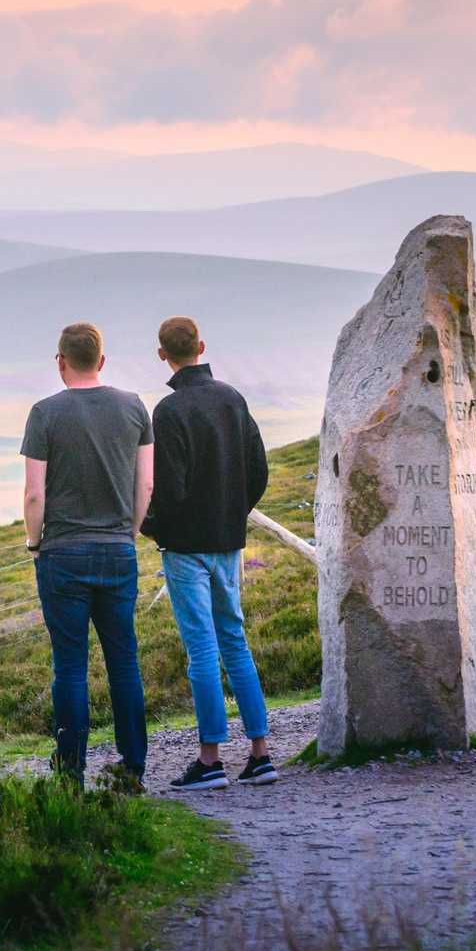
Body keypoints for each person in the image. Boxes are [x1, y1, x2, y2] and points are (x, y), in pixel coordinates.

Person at [142, 315, 277, 791]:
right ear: (201, 345)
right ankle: (261, 753)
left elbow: (170, 488)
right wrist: (233, 513)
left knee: (202, 650)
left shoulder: (169, 411)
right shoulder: (233, 400)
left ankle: (210, 760)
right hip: (228, 541)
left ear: (163, 354)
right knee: (235, 641)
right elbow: (258, 470)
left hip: (185, 547)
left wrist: (150, 526)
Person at [21, 322, 153, 788]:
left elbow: (34, 495)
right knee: (124, 662)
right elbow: (147, 484)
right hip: (118, 550)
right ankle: (134, 765)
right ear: (101, 360)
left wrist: (35, 545)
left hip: (63, 555)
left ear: (61, 362)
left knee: (71, 667)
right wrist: (130, 532)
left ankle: (71, 769)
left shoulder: (44, 413)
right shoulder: (134, 407)